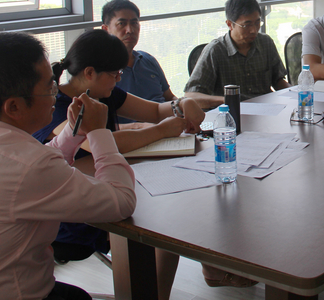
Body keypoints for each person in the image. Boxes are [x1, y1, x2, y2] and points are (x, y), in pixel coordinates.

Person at [0, 32, 136, 300]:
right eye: (49, 87)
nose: (56, 93)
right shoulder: (28, 165)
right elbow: (122, 201)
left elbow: (31, 163)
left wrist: (74, 131)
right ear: (14, 107)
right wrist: (99, 132)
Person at [31, 30, 201, 271]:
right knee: (161, 227)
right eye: (115, 74)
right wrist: (161, 131)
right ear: (90, 73)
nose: (119, 79)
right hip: (72, 213)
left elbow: (154, 111)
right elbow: (100, 142)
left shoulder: (103, 92)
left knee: (169, 221)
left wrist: (182, 104)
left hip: (110, 187)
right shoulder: (56, 107)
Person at [184, 0, 290, 109]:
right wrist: (228, 100)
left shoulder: (266, 42)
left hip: (267, 109)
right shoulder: (215, 51)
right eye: (246, 25)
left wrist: (295, 93)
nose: (254, 30)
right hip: (232, 113)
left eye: (257, 23)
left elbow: (278, 81)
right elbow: (191, 96)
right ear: (230, 24)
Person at [100, 0, 177, 121]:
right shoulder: (102, 72)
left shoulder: (148, 60)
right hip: (137, 132)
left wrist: (184, 108)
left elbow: (169, 97)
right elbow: (105, 125)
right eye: (121, 24)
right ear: (106, 29)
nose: (130, 30)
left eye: (134, 23)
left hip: (171, 126)